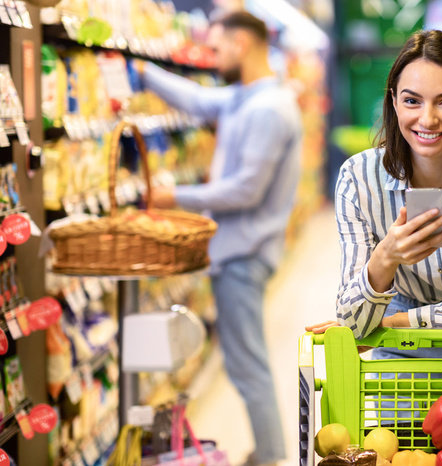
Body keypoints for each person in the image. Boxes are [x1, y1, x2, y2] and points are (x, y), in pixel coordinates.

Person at [136, 11, 302, 466]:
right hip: (235, 250)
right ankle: (268, 451)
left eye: (218, 47)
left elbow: (246, 189)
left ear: (241, 45)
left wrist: (174, 196)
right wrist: (141, 71)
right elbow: (198, 100)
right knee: (244, 360)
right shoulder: (245, 97)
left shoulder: (269, 109)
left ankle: (269, 456)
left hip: (245, 254)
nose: (213, 56)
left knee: (248, 364)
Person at [307, 29, 442, 363]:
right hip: (402, 345)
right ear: (394, 101)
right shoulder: (358, 180)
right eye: (412, 100)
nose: (428, 119)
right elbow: (354, 325)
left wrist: (402, 321)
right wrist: (386, 257)